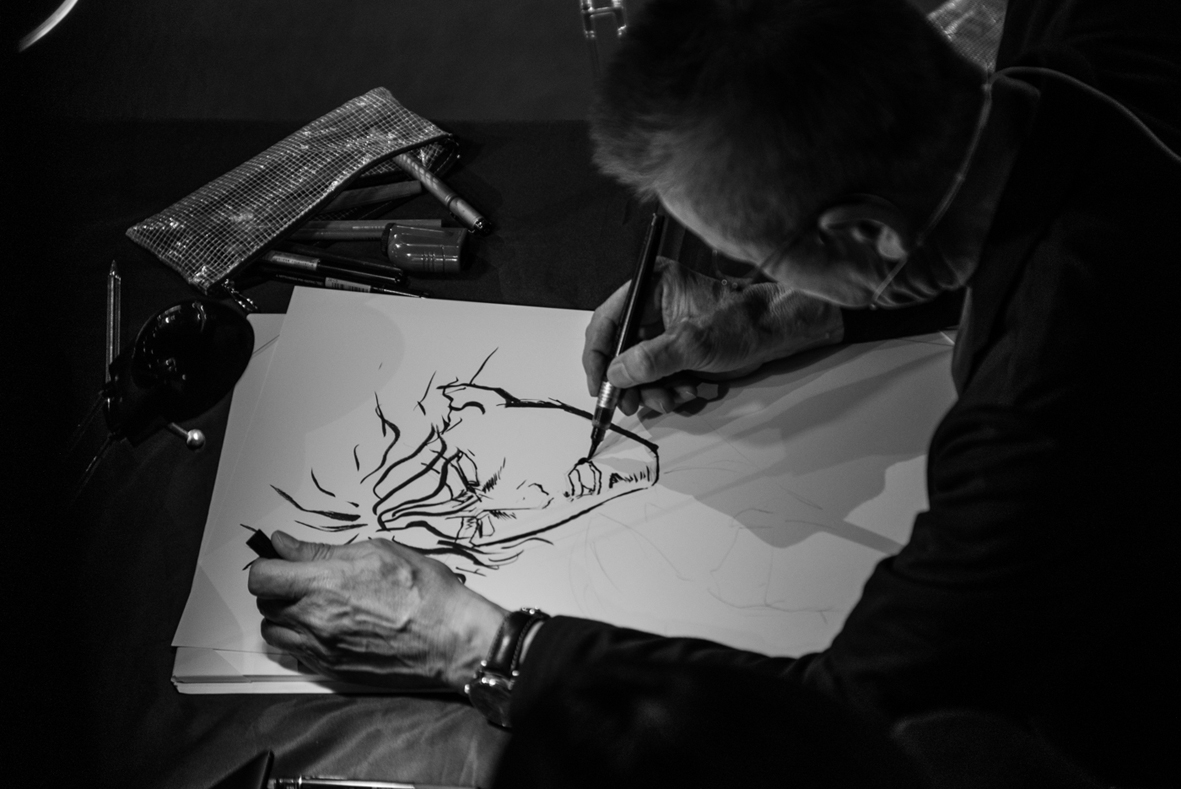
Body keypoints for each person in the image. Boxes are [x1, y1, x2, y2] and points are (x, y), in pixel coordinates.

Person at [247, 0, 1181, 782]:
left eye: (759, 258)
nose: (754, 278)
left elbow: (848, 718)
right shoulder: (1094, 37)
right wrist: (796, 311)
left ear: (869, 236)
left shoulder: (1045, 411)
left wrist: (476, 642)